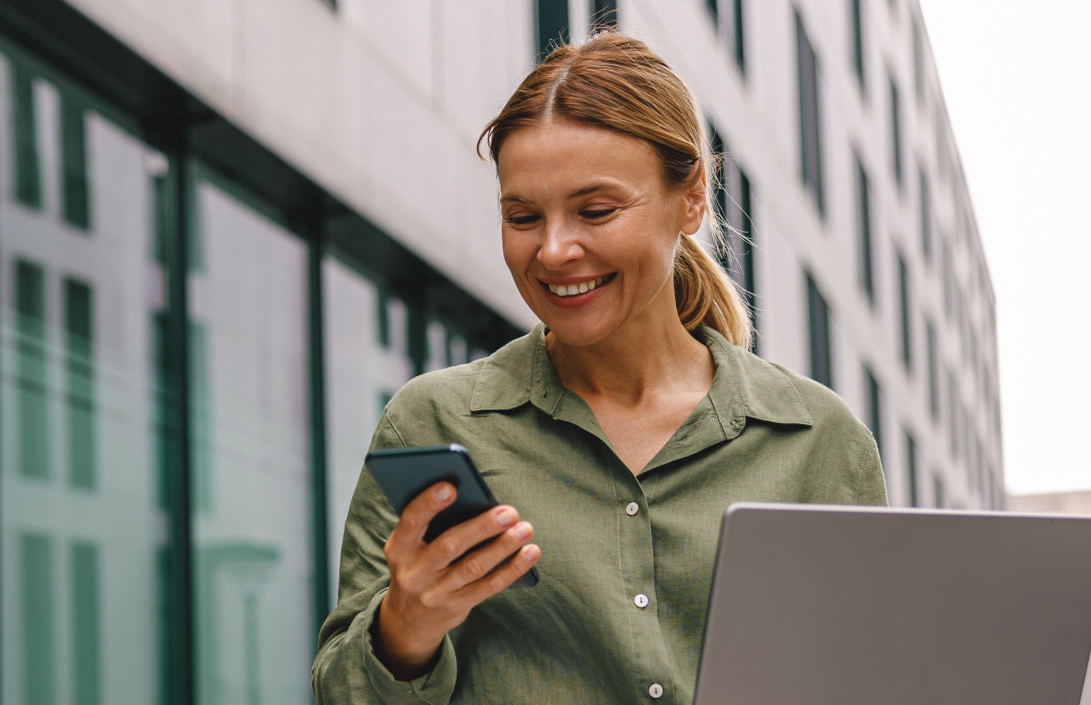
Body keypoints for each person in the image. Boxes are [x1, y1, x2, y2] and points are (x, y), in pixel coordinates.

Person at [312, 31, 888, 704]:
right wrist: (406, 626)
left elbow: (873, 677)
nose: (554, 251)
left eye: (596, 210)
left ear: (693, 198)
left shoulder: (816, 439)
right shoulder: (436, 422)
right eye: (522, 215)